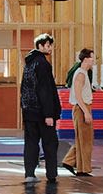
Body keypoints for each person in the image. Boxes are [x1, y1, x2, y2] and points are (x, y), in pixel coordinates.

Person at [20, 34, 59, 181]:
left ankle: (29, 173)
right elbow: (45, 90)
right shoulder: (43, 64)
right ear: (40, 46)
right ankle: (51, 174)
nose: (50, 48)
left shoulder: (29, 64)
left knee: (31, 143)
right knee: (50, 143)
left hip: (29, 111)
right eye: (48, 45)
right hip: (42, 113)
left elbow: (24, 89)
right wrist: (49, 114)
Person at [62, 48, 96, 177]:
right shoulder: (81, 74)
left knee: (83, 139)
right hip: (81, 108)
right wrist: (86, 112)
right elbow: (77, 95)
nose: (93, 61)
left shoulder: (84, 73)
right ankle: (83, 169)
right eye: (92, 58)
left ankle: (70, 161)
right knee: (85, 140)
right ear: (86, 59)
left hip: (83, 107)